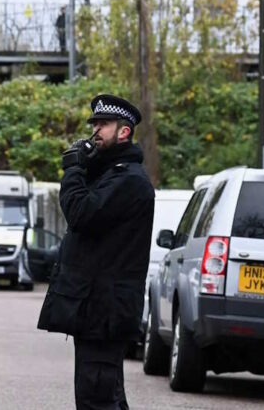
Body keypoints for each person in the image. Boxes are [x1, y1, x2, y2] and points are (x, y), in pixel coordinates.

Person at [37, 94, 155, 410]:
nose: (95, 131)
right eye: (95, 124)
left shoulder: (128, 180)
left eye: (103, 125)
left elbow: (81, 214)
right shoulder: (111, 174)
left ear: (124, 132)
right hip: (97, 310)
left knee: (97, 399)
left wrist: (74, 170)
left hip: (105, 311)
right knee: (106, 395)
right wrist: (86, 167)